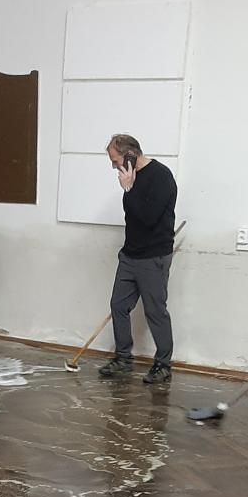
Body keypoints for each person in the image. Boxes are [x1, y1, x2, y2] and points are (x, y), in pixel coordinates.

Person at [98, 134, 178, 385]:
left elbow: (148, 218)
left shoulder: (161, 176)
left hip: (153, 257)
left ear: (130, 155)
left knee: (155, 311)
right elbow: (132, 215)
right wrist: (129, 188)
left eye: (115, 160)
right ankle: (123, 359)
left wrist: (129, 189)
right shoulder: (131, 178)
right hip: (130, 255)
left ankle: (163, 365)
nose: (113, 166)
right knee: (118, 306)